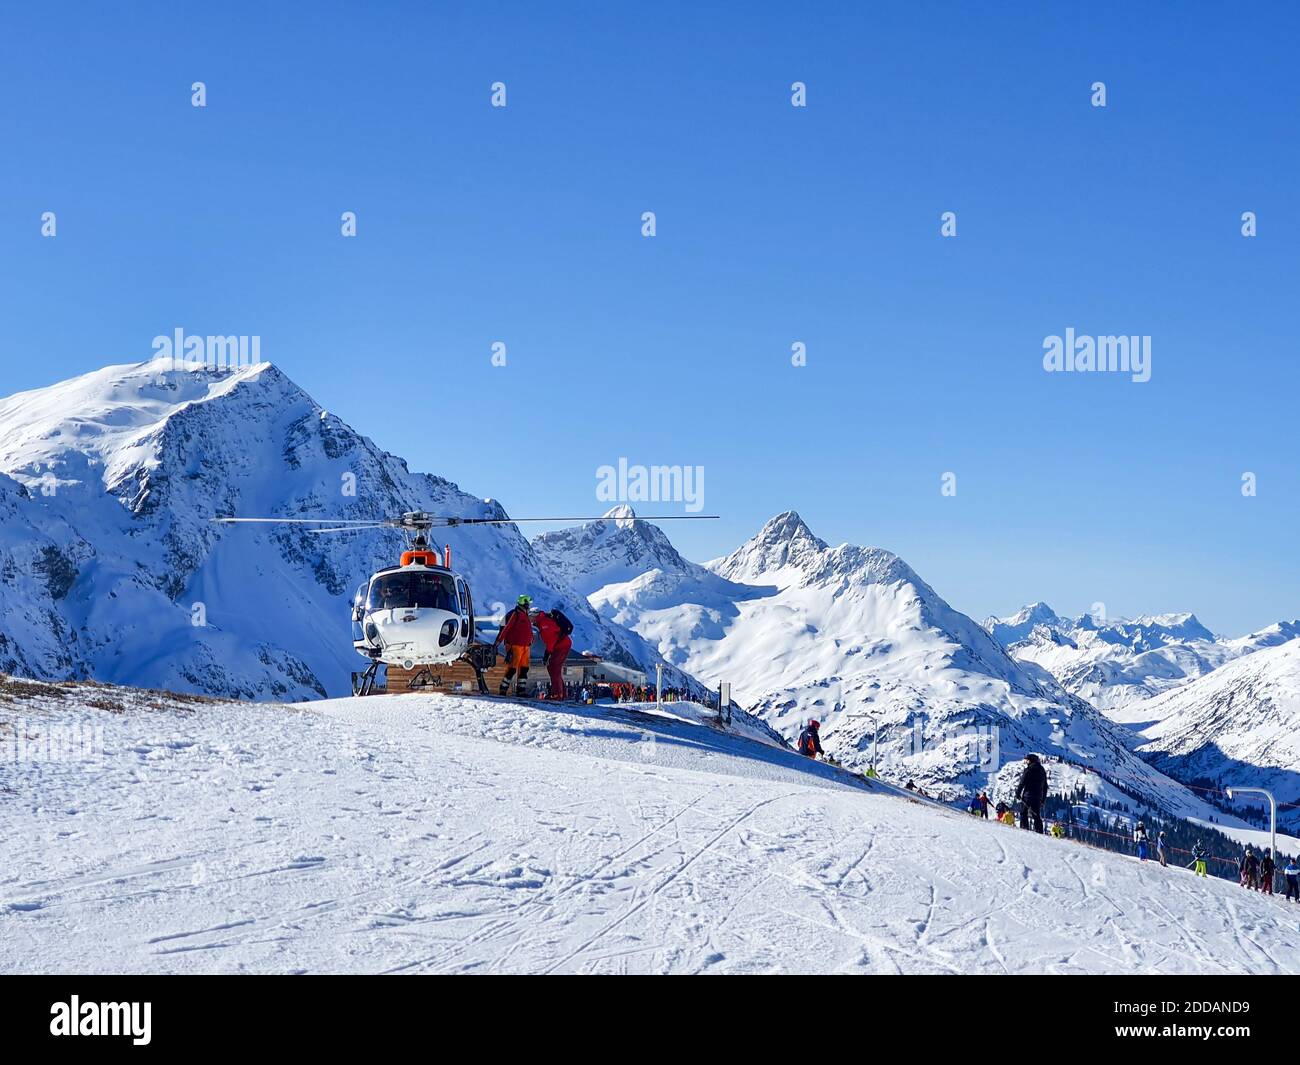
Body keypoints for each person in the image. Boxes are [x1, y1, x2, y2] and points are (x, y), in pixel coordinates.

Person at [493, 594, 535, 697]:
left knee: (524, 669)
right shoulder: (514, 614)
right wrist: (497, 642)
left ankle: (521, 691)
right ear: (524, 603)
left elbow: (528, 631)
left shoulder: (525, 615)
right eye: (528, 603)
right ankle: (503, 690)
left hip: (526, 646)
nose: (529, 606)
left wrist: (530, 640)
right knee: (512, 669)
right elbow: (505, 629)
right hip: (515, 646)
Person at [532, 606, 574, 701]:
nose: (530, 620)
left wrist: (546, 656)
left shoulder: (544, 623)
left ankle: (557, 695)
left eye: (530, 617)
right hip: (561, 645)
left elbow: (550, 640)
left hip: (561, 646)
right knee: (553, 668)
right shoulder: (542, 621)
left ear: (534, 616)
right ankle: (561, 693)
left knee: (554, 668)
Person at [1014, 753, 1047, 834]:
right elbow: (1045, 786)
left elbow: (1022, 782)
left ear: (1031, 760)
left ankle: (1024, 830)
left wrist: (1018, 793)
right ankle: (1039, 832)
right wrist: (1043, 799)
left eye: (1027, 760)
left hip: (1027, 795)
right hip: (1038, 796)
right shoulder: (1042, 770)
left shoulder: (1028, 769)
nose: (1026, 762)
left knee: (1023, 813)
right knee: (1036, 815)